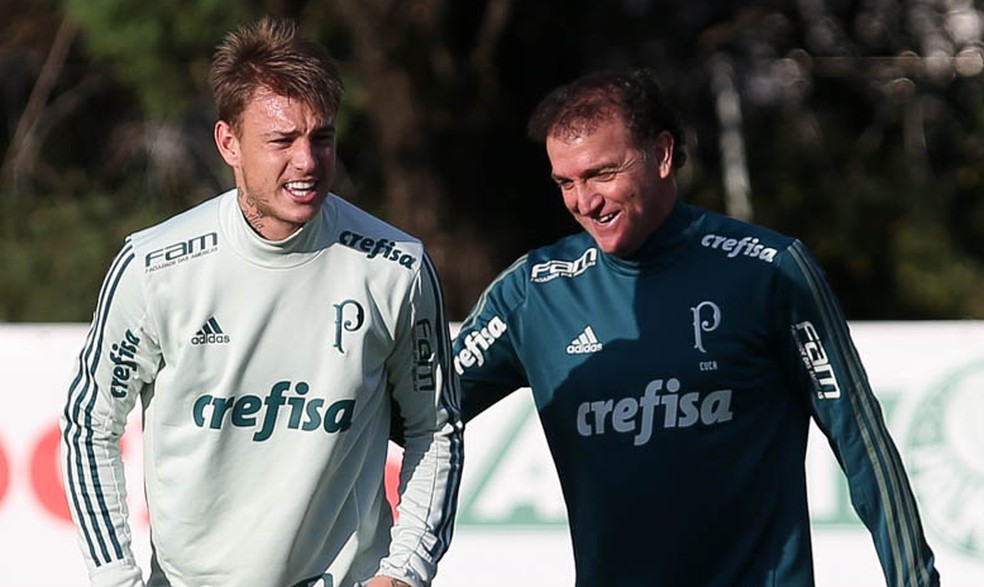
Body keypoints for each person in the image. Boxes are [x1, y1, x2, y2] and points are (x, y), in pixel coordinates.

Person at [453, 68, 940, 586]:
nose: (584, 201)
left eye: (602, 173)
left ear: (663, 154)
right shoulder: (533, 293)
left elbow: (862, 441)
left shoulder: (769, 271)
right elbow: (415, 414)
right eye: (566, 183)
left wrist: (915, 580)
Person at [60, 16, 462, 587]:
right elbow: (89, 424)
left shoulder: (396, 267)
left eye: (322, 138)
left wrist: (404, 571)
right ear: (229, 143)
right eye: (281, 141)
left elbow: (435, 427)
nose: (307, 161)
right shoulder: (155, 267)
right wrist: (115, 576)